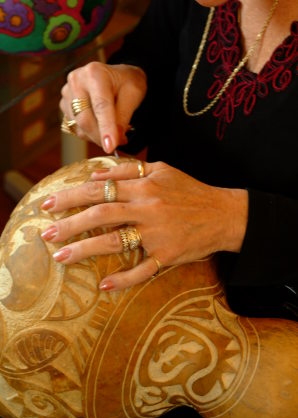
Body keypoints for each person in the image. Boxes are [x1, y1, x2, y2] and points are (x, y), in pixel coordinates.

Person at [41, 0, 298, 318]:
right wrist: (123, 84)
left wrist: (230, 219)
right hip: (164, 285)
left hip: (274, 323)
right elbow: (154, 55)